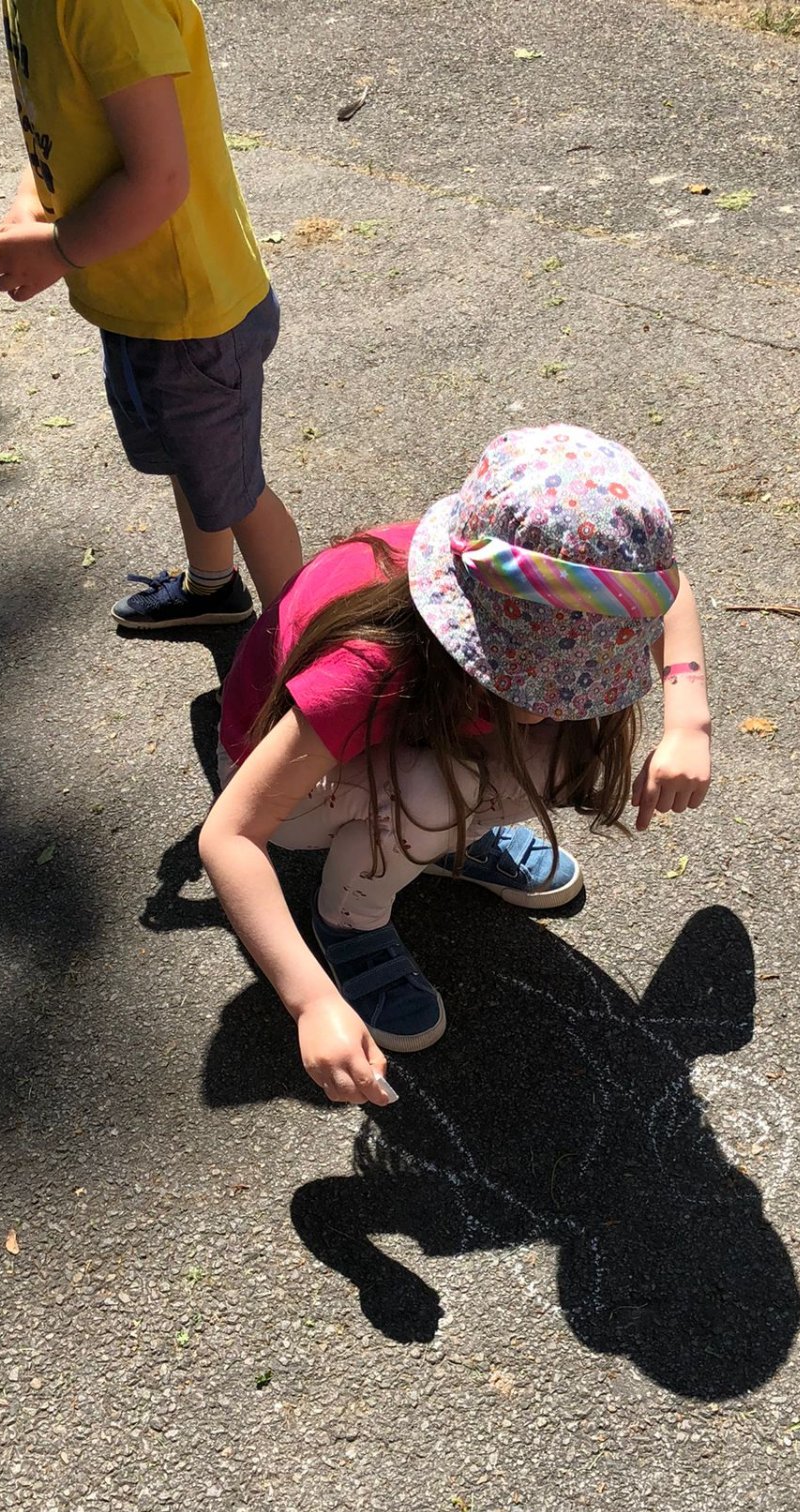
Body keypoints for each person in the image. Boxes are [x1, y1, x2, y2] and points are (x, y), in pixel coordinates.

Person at [198, 424, 713, 1107]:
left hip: (409, 721)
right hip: (281, 777)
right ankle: (350, 919)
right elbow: (230, 834)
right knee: (440, 793)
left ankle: (442, 841)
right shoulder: (371, 662)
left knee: (552, 756)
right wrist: (311, 1002)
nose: (548, 706)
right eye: (536, 682)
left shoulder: (551, 584)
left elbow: (670, 591)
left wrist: (688, 723)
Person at [0, 0, 301, 629]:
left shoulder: (109, 8)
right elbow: (65, 128)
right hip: (141, 299)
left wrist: (58, 249)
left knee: (236, 492)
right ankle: (213, 587)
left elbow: (160, 179)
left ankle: (310, 656)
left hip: (190, 315)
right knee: (192, 459)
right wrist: (30, 205)